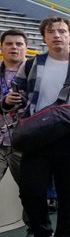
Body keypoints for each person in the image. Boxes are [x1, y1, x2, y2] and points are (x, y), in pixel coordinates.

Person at [4, 16, 70, 237]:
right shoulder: (32, 64)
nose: (57, 35)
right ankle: (43, 235)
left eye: (62, 31)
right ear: (44, 37)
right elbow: (17, 95)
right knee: (31, 191)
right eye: (51, 31)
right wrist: (9, 101)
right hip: (38, 136)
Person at [1, 29, 28, 189]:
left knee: (31, 194)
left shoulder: (36, 73)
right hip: (0, 141)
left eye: (19, 44)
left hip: (25, 144)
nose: (14, 47)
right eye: (9, 44)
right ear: (1, 47)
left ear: (25, 47)